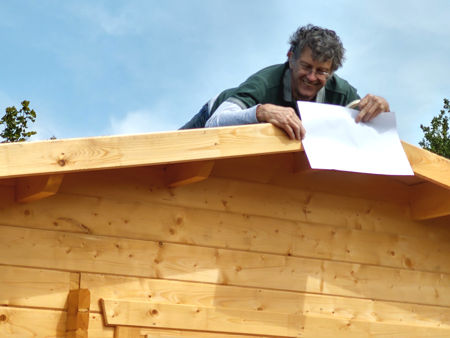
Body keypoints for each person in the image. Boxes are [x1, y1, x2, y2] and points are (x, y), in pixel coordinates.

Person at [180, 24, 389, 140]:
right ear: (291, 57)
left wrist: (378, 110)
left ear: (332, 71)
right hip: (213, 116)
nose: (312, 77)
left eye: (322, 71)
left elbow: (365, 130)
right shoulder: (266, 82)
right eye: (306, 67)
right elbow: (215, 122)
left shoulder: (342, 93)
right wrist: (261, 112)